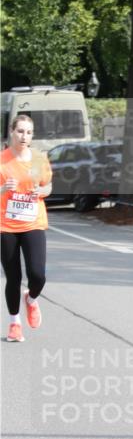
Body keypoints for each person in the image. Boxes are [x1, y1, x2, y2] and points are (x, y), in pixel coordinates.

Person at [1, 114, 52, 342]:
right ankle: (14, 324)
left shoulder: (39, 160)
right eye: (20, 131)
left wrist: (41, 192)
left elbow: (48, 186)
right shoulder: (2, 160)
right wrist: (3, 189)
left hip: (33, 222)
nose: (24, 136)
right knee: (13, 277)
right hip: (6, 225)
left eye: (29, 132)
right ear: (12, 132)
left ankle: (31, 299)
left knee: (38, 275)